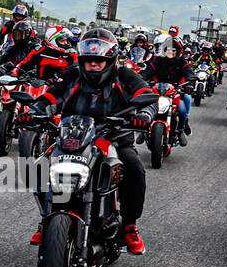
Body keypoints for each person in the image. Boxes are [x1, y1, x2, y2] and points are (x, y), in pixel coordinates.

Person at [21, 27, 155, 254]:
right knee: (38, 168)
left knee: (134, 169)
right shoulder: (73, 75)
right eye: (88, 60)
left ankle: (130, 225)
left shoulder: (124, 76)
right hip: (73, 137)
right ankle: (48, 218)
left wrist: (143, 116)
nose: (93, 65)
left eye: (98, 61)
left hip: (114, 138)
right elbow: (52, 96)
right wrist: (33, 111)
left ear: (110, 60)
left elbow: (146, 96)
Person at [143, 38, 195, 141]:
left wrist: (189, 83)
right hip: (157, 91)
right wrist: (141, 79)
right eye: (168, 49)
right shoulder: (158, 60)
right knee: (145, 107)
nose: (170, 52)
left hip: (175, 91)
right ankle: (144, 130)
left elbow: (189, 73)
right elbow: (148, 71)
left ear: (178, 51)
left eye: (173, 50)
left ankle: (180, 130)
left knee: (182, 110)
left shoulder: (181, 62)